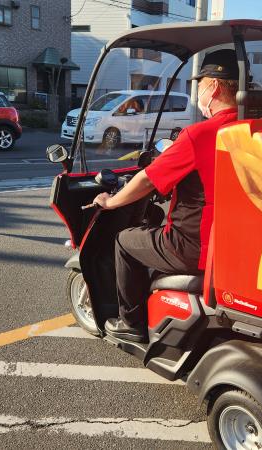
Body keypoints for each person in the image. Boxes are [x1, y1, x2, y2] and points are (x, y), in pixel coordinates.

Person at [90, 49, 240, 342]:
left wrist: (110, 201)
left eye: (200, 85)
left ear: (215, 86)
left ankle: (130, 323)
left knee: (124, 240)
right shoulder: (251, 128)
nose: (199, 92)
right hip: (234, 243)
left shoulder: (201, 134)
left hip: (192, 246)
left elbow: (147, 180)